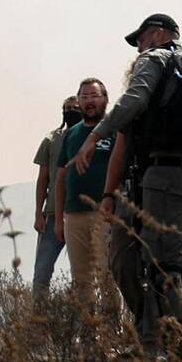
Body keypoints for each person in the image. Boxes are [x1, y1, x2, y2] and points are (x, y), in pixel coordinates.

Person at [75, 13, 182, 351]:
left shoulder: (155, 63)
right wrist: (111, 193)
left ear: (156, 35)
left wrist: (95, 136)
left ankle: (180, 344)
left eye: (139, 39)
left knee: (159, 260)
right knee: (164, 256)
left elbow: (130, 113)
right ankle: (165, 339)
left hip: (159, 180)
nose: (137, 48)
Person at [54, 79, 118, 321]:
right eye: (85, 96)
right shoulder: (71, 135)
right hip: (74, 215)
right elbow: (60, 177)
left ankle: (113, 330)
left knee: (107, 274)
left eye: (95, 96)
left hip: (105, 213)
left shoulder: (114, 131)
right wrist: (59, 220)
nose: (90, 101)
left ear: (105, 99)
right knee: (80, 277)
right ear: (79, 101)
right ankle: (89, 332)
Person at [32, 96, 81, 296]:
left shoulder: (93, 136)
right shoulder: (51, 140)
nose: (71, 111)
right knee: (42, 273)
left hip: (80, 214)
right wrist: (38, 213)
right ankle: (40, 321)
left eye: (75, 108)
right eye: (67, 108)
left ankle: (85, 323)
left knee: (82, 275)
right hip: (52, 215)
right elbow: (43, 178)